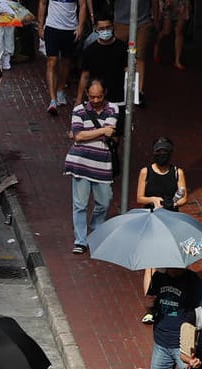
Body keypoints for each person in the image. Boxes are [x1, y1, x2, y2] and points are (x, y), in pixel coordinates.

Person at [65, 79, 118, 255]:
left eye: (99, 97)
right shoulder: (78, 110)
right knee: (80, 205)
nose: (96, 100)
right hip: (80, 164)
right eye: (92, 97)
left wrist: (87, 134)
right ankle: (80, 240)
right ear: (87, 94)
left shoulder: (113, 108)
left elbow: (83, 134)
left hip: (102, 165)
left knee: (104, 202)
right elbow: (79, 137)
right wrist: (102, 131)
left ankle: (95, 229)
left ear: (105, 94)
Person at [38, 0, 86, 114]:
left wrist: (80, 26)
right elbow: (42, 3)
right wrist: (40, 26)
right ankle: (53, 100)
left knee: (66, 61)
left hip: (70, 29)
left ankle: (60, 89)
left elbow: (83, 4)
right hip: (52, 27)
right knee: (52, 61)